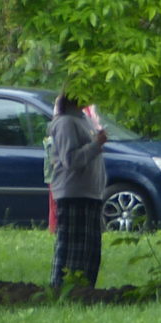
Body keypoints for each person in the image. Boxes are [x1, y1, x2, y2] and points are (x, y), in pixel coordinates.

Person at [48, 93, 109, 289]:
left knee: (89, 249)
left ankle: (85, 288)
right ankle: (61, 287)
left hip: (90, 192)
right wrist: (96, 145)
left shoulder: (83, 119)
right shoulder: (66, 123)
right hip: (73, 192)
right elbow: (71, 160)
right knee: (71, 246)